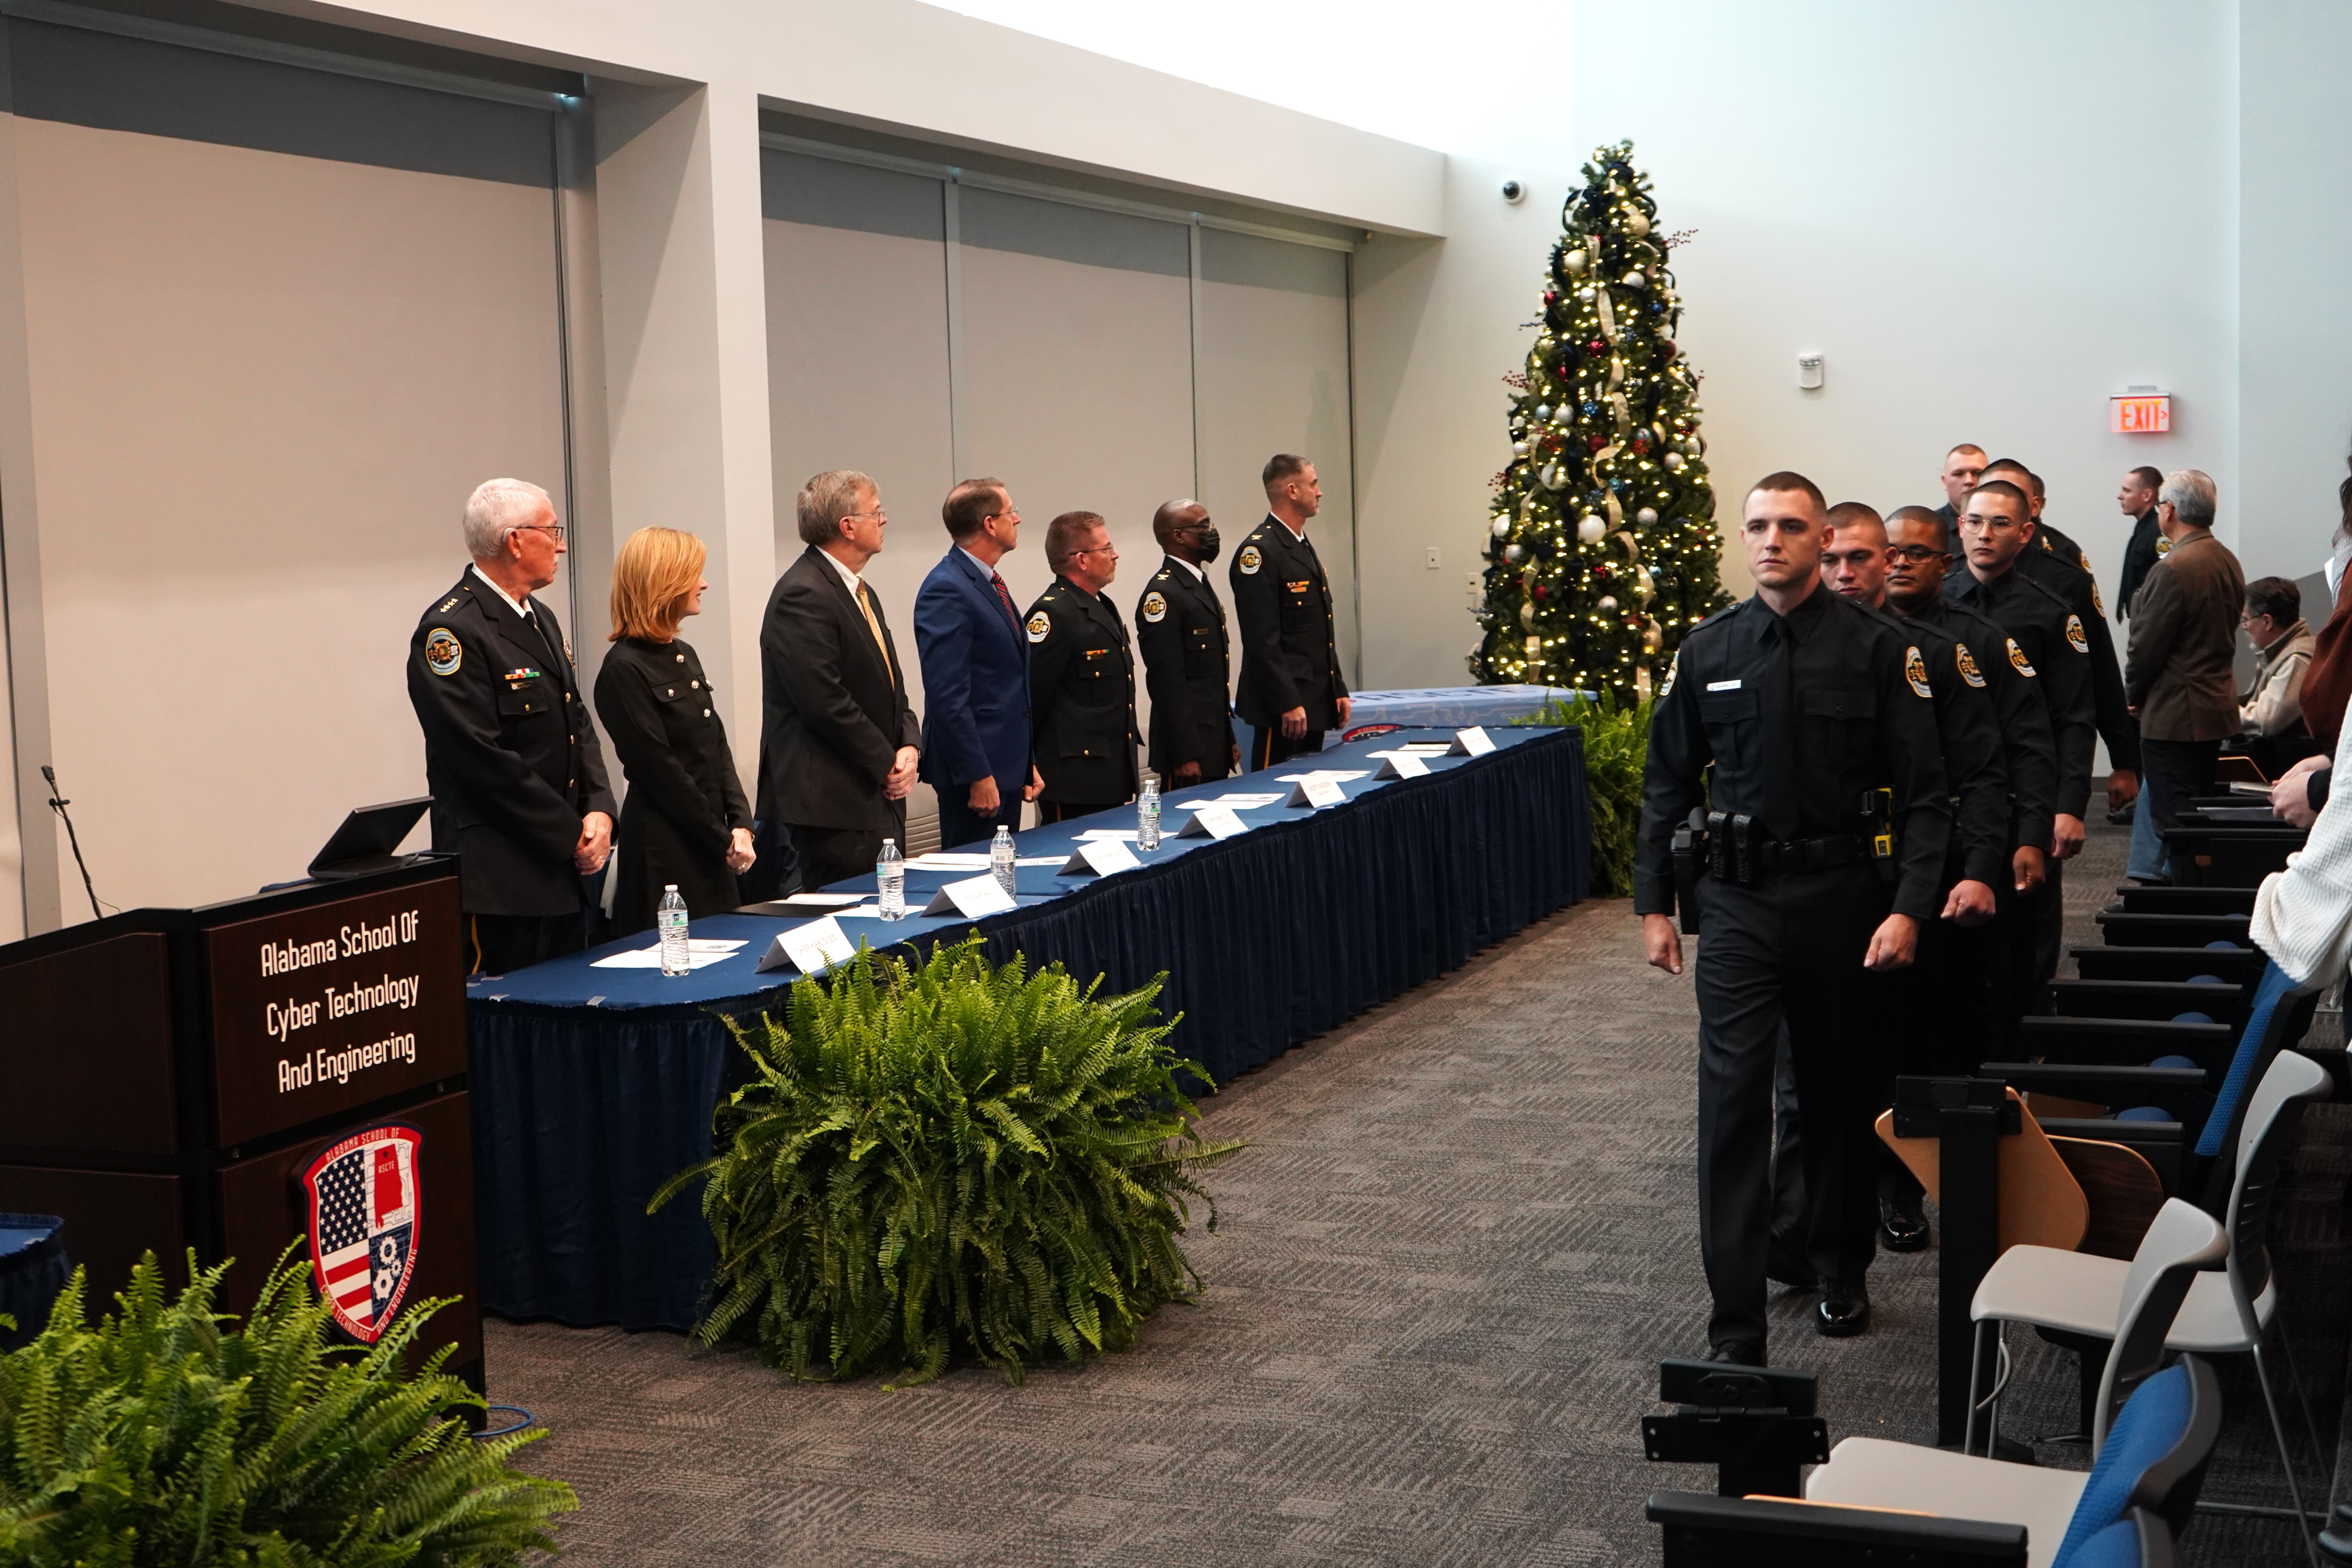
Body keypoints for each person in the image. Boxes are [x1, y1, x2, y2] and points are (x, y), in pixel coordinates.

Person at [1637, 472, 1949, 1365]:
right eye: (1758, 526)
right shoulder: (1708, 649)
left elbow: (1926, 797)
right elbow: (1667, 783)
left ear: (1822, 541)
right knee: (1731, 1105)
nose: (1771, 540)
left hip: (1841, 900)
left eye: (1790, 526)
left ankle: (1839, 1266)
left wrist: (1909, 908)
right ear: (1743, 540)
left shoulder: (1880, 649)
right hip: (1736, 903)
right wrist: (1654, 903)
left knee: (1834, 1094)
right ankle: (1735, 1321)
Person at [1770, 503, 2017, 1270]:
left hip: (1916, 877)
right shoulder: (1787, 652)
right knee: (1803, 1064)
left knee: (1905, 1050)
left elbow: (1982, 774)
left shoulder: (1932, 655)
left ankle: (1898, 1191)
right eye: (1832, 559)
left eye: (1861, 559)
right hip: (1823, 885)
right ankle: (1798, 1224)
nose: (1844, 574)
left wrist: (1978, 869)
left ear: (1888, 564)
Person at [408, 477, 615, 974]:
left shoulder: (541, 617)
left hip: (563, 871)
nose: (561, 545)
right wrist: (570, 832)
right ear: (516, 541)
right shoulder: (451, 631)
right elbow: (481, 760)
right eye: (553, 530)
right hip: (503, 882)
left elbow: (576, 722)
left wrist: (601, 810)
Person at [1946, 478, 2098, 1004]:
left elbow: (2075, 716)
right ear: (1959, 526)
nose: (1984, 534)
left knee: (2025, 943)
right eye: (1974, 522)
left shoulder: (2050, 611)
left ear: (2026, 533)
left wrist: (2069, 805)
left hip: (2025, 795)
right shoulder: (1937, 601)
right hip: (1957, 796)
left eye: (2000, 524)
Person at [757, 470, 921, 894]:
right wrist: (887, 763)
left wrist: (909, 744)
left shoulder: (860, 590)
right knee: (853, 923)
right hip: (834, 806)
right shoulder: (803, 593)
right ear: (848, 526)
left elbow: (891, 685)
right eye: (876, 512)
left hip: (873, 793)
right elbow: (825, 702)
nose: (884, 520)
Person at [593, 527, 755, 935]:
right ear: (665, 582)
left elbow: (717, 747)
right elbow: (663, 774)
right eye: (694, 574)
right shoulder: (623, 669)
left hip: (710, 843)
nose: (704, 584)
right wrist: (723, 839)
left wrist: (741, 824)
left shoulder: (683, 654)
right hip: (665, 851)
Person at [1982, 459, 2139, 817]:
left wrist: (2123, 760)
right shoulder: (1954, 574)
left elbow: (2100, 666)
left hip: (2041, 744)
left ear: (2033, 507)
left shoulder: (2064, 571)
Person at [2123, 469, 2245, 884]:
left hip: (2175, 716)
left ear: (2169, 510)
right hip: (2214, 709)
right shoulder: (2226, 558)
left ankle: (2185, 905)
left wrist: (2133, 694)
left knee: (2175, 825)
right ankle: (2198, 899)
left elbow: (2146, 648)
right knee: (2198, 819)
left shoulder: (2173, 568)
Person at [915, 478, 1043, 848]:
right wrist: (978, 774)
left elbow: (1006, 684)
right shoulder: (947, 588)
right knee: (976, 876)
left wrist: (1025, 762)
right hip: (976, 776)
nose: (1017, 519)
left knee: (1006, 874)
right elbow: (947, 696)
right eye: (1011, 512)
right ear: (989, 524)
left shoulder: (985, 581)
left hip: (1004, 766)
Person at [1233, 454, 1350, 770]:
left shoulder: (1299, 544)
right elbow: (1261, 640)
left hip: (1313, 698)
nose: (1320, 492)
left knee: (1309, 788)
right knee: (1274, 789)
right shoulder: (1260, 551)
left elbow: (1320, 629)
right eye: (1313, 484)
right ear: (1293, 491)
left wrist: (1337, 687)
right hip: (1283, 709)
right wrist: (1286, 701)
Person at [1024, 511, 1140, 822]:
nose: (1115, 555)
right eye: (1107, 548)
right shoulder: (1054, 614)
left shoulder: (1100, 605)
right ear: (1082, 560)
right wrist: (1026, 764)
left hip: (1108, 773)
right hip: (1072, 781)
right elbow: (1030, 699)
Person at [1136, 499, 1238, 786]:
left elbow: (1213, 682)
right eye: (1203, 526)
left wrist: (1228, 739)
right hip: (1188, 751)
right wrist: (1184, 754)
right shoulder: (1164, 594)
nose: (1211, 532)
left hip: (1212, 740)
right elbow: (1167, 682)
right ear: (1178, 536)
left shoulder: (1197, 583)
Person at [2237, 575, 2316, 777]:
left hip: (2287, 769)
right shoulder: (2281, 653)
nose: (2244, 627)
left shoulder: (2297, 660)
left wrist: (2219, 714)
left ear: (2267, 621)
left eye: (2245, 620)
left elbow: (2265, 721)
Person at [2114, 466, 2165, 623]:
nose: (2120, 496)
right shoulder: (2142, 530)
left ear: (2147, 495)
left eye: (2127, 491)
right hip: (2140, 619)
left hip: (2152, 621)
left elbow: (2164, 584)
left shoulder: (2158, 533)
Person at [1929, 443, 1990, 557]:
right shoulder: (1928, 529)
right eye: (1958, 474)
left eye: (1977, 474)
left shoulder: (2005, 525)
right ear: (1944, 482)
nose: (1969, 481)